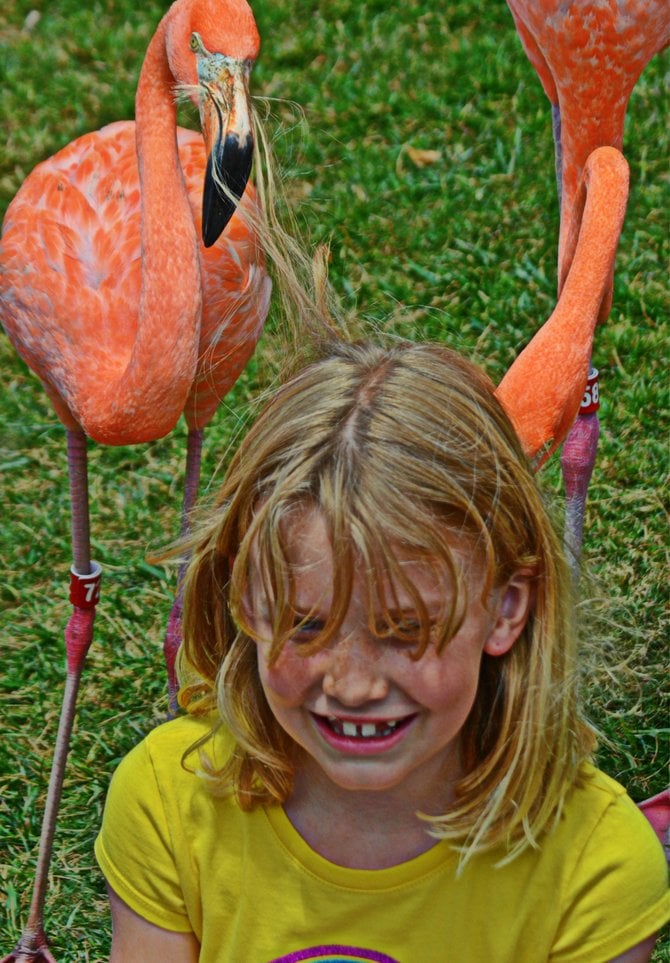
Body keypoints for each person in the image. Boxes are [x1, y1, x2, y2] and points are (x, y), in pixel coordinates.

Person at [94, 334, 669, 961]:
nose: (352, 685)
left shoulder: (592, 866)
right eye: (306, 626)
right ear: (246, 599)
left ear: (506, 607)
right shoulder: (172, 799)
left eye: (405, 631)